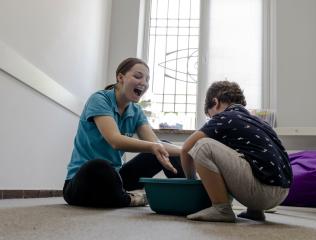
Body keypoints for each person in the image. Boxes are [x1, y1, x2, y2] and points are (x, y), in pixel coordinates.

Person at [63, 57, 185, 208]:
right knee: (99, 166)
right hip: (83, 181)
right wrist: (153, 147)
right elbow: (115, 140)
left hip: (117, 180)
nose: (144, 83)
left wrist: (187, 151)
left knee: (165, 148)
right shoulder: (99, 99)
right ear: (120, 77)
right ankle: (130, 199)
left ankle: (189, 195)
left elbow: (157, 144)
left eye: (147, 79)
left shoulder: (136, 111)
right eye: (138, 76)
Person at [180, 81, 293, 222]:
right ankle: (255, 212)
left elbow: (186, 149)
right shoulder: (260, 122)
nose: (212, 119)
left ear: (215, 102)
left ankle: (221, 209)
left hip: (260, 193)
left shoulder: (224, 117)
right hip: (283, 192)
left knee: (202, 146)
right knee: (250, 154)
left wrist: (191, 181)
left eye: (210, 116)